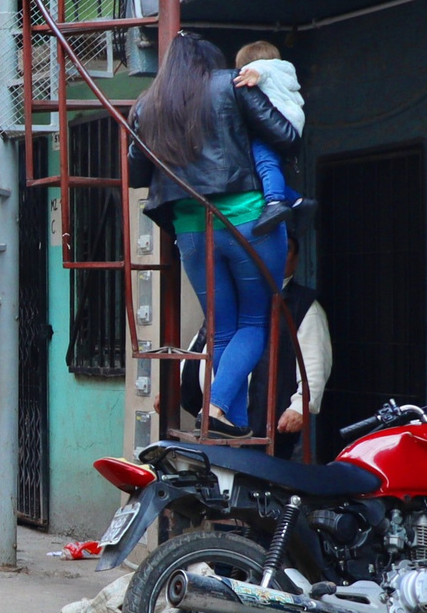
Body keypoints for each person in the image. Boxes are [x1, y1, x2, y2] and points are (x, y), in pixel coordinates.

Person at [127, 31, 300, 434]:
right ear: (210, 62)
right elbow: (286, 136)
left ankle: (231, 423)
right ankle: (218, 406)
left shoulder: (148, 105)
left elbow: (136, 173)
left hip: (189, 229)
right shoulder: (230, 84)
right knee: (255, 322)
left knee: (221, 328)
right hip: (247, 220)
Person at [232, 39, 310, 230]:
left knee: (265, 163)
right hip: (290, 124)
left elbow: (262, 70)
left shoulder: (263, 69)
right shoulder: (284, 72)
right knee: (265, 171)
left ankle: (274, 202)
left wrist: (253, 73)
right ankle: (298, 201)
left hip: (272, 125)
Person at [270, 233, 332, 459]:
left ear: (295, 260)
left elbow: (314, 363)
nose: (276, 253)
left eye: (285, 249)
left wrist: (300, 406)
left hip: (275, 422)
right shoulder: (243, 297)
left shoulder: (305, 306)